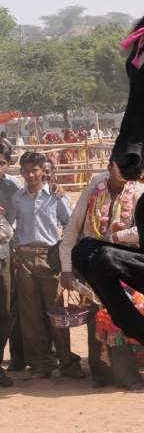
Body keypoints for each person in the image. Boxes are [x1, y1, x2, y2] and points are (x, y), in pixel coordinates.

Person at [60, 161, 144, 389]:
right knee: (95, 320)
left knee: (120, 319)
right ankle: (100, 374)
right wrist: (67, 269)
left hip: (123, 265)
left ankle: (127, 376)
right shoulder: (91, 194)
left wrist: (115, 238)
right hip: (92, 266)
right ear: (109, 167)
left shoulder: (137, 194)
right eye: (120, 168)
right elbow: (71, 233)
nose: (125, 174)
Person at [7, 151, 84, 380]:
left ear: (43, 170)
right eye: (26, 171)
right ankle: (40, 364)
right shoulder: (17, 198)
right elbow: (9, 227)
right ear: (21, 172)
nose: (31, 175)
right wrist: (14, 252)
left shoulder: (56, 196)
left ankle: (68, 363)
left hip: (51, 258)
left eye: (35, 170)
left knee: (57, 312)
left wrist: (65, 257)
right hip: (25, 259)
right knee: (29, 314)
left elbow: (71, 226)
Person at [0, 140, 22, 386]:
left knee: (4, 312)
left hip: (3, 255)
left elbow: (16, 221)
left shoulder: (12, 186)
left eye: (2, 163)